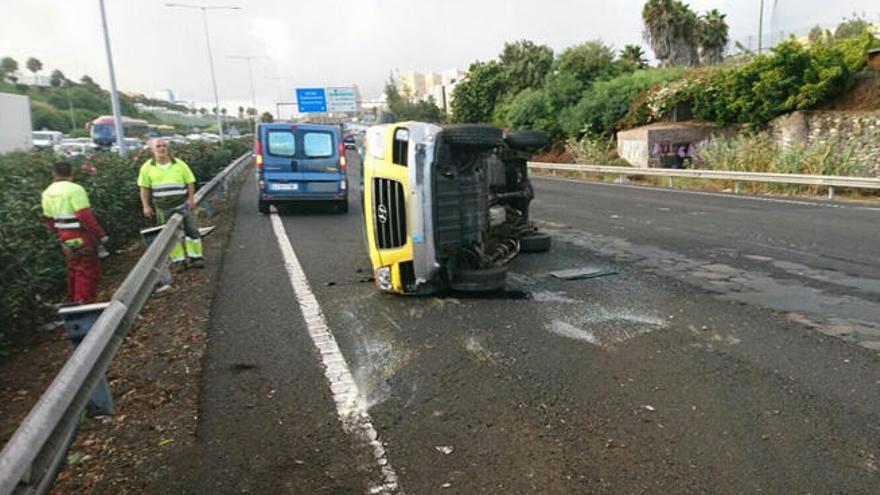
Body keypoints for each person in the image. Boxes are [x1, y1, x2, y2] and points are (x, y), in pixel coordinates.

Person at [41, 161, 108, 304]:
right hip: (81, 235)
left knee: (73, 269)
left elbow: (48, 220)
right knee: (87, 272)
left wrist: (59, 234)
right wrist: (100, 234)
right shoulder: (76, 189)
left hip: (64, 237)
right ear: (72, 173)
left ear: (54, 173)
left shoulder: (47, 192)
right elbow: (85, 216)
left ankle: (74, 303)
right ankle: (84, 305)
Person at [138, 138, 204, 270]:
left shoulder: (179, 164)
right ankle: (179, 261)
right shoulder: (146, 168)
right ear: (152, 150)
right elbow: (144, 189)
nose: (162, 148)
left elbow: (190, 183)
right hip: (163, 208)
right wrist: (146, 206)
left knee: (192, 231)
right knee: (170, 236)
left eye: (164, 146)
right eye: (158, 146)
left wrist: (190, 200)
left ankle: (196, 257)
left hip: (183, 205)